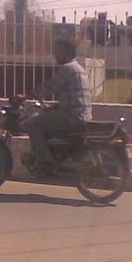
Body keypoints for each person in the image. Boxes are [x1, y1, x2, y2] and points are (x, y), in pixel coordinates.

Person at [22, 38, 92, 170]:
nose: (55, 55)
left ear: (67, 53)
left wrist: (24, 97)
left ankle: (46, 162)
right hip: (80, 115)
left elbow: (48, 87)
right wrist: (53, 107)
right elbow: (73, 98)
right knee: (45, 119)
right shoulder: (78, 68)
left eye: (58, 52)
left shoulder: (67, 68)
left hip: (71, 117)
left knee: (32, 124)